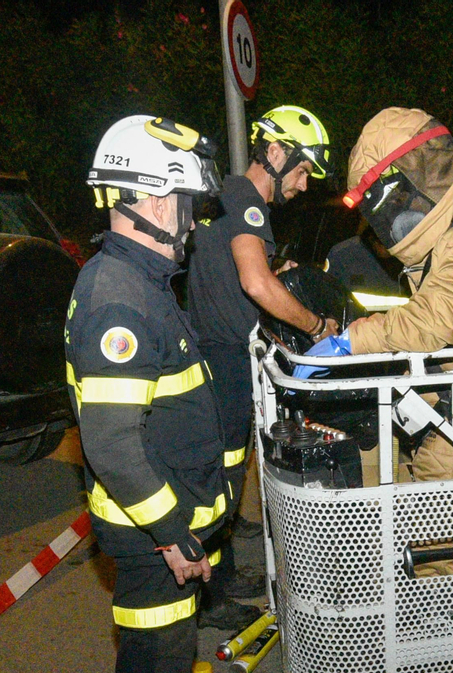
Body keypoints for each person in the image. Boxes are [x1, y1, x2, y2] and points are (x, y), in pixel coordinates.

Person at [69, 114, 241, 673]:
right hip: (149, 527)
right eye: (189, 206)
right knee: (154, 649)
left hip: (166, 513)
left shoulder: (135, 279)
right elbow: (112, 446)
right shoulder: (120, 301)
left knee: (173, 635)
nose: (194, 223)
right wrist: (172, 534)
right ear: (155, 199)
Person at [186, 105, 335, 625]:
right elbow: (254, 284)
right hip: (224, 360)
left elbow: (236, 272)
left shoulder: (224, 193)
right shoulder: (249, 202)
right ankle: (207, 598)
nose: (303, 183)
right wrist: (317, 328)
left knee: (223, 476)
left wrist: (274, 267)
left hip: (207, 352)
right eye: (301, 169)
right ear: (274, 152)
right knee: (219, 479)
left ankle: (221, 575)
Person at [335, 107, 453, 484]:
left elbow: (435, 321)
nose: (395, 214)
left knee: (433, 539)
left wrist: (351, 341)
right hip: (443, 408)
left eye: (393, 198)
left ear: (416, 175)